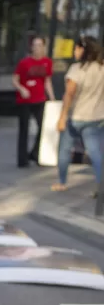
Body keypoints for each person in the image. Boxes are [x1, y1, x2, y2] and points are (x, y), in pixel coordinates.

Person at [53, 36, 104, 193]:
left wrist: (62, 117)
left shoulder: (76, 69)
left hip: (76, 117)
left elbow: (69, 94)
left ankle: (62, 182)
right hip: (97, 117)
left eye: (76, 48)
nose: (74, 51)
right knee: (95, 153)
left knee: (64, 150)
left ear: (84, 49)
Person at [13, 35, 54, 167]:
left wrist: (52, 98)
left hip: (40, 99)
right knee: (24, 129)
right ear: (31, 47)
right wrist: (22, 89)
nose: (37, 48)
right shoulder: (24, 63)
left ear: (44, 47)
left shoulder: (47, 62)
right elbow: (15, 80)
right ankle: (22, 159)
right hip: (25, 100)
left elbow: (47, 81)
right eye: (35, 45)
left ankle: (36, 154)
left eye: (40, 45)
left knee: (43, 127)